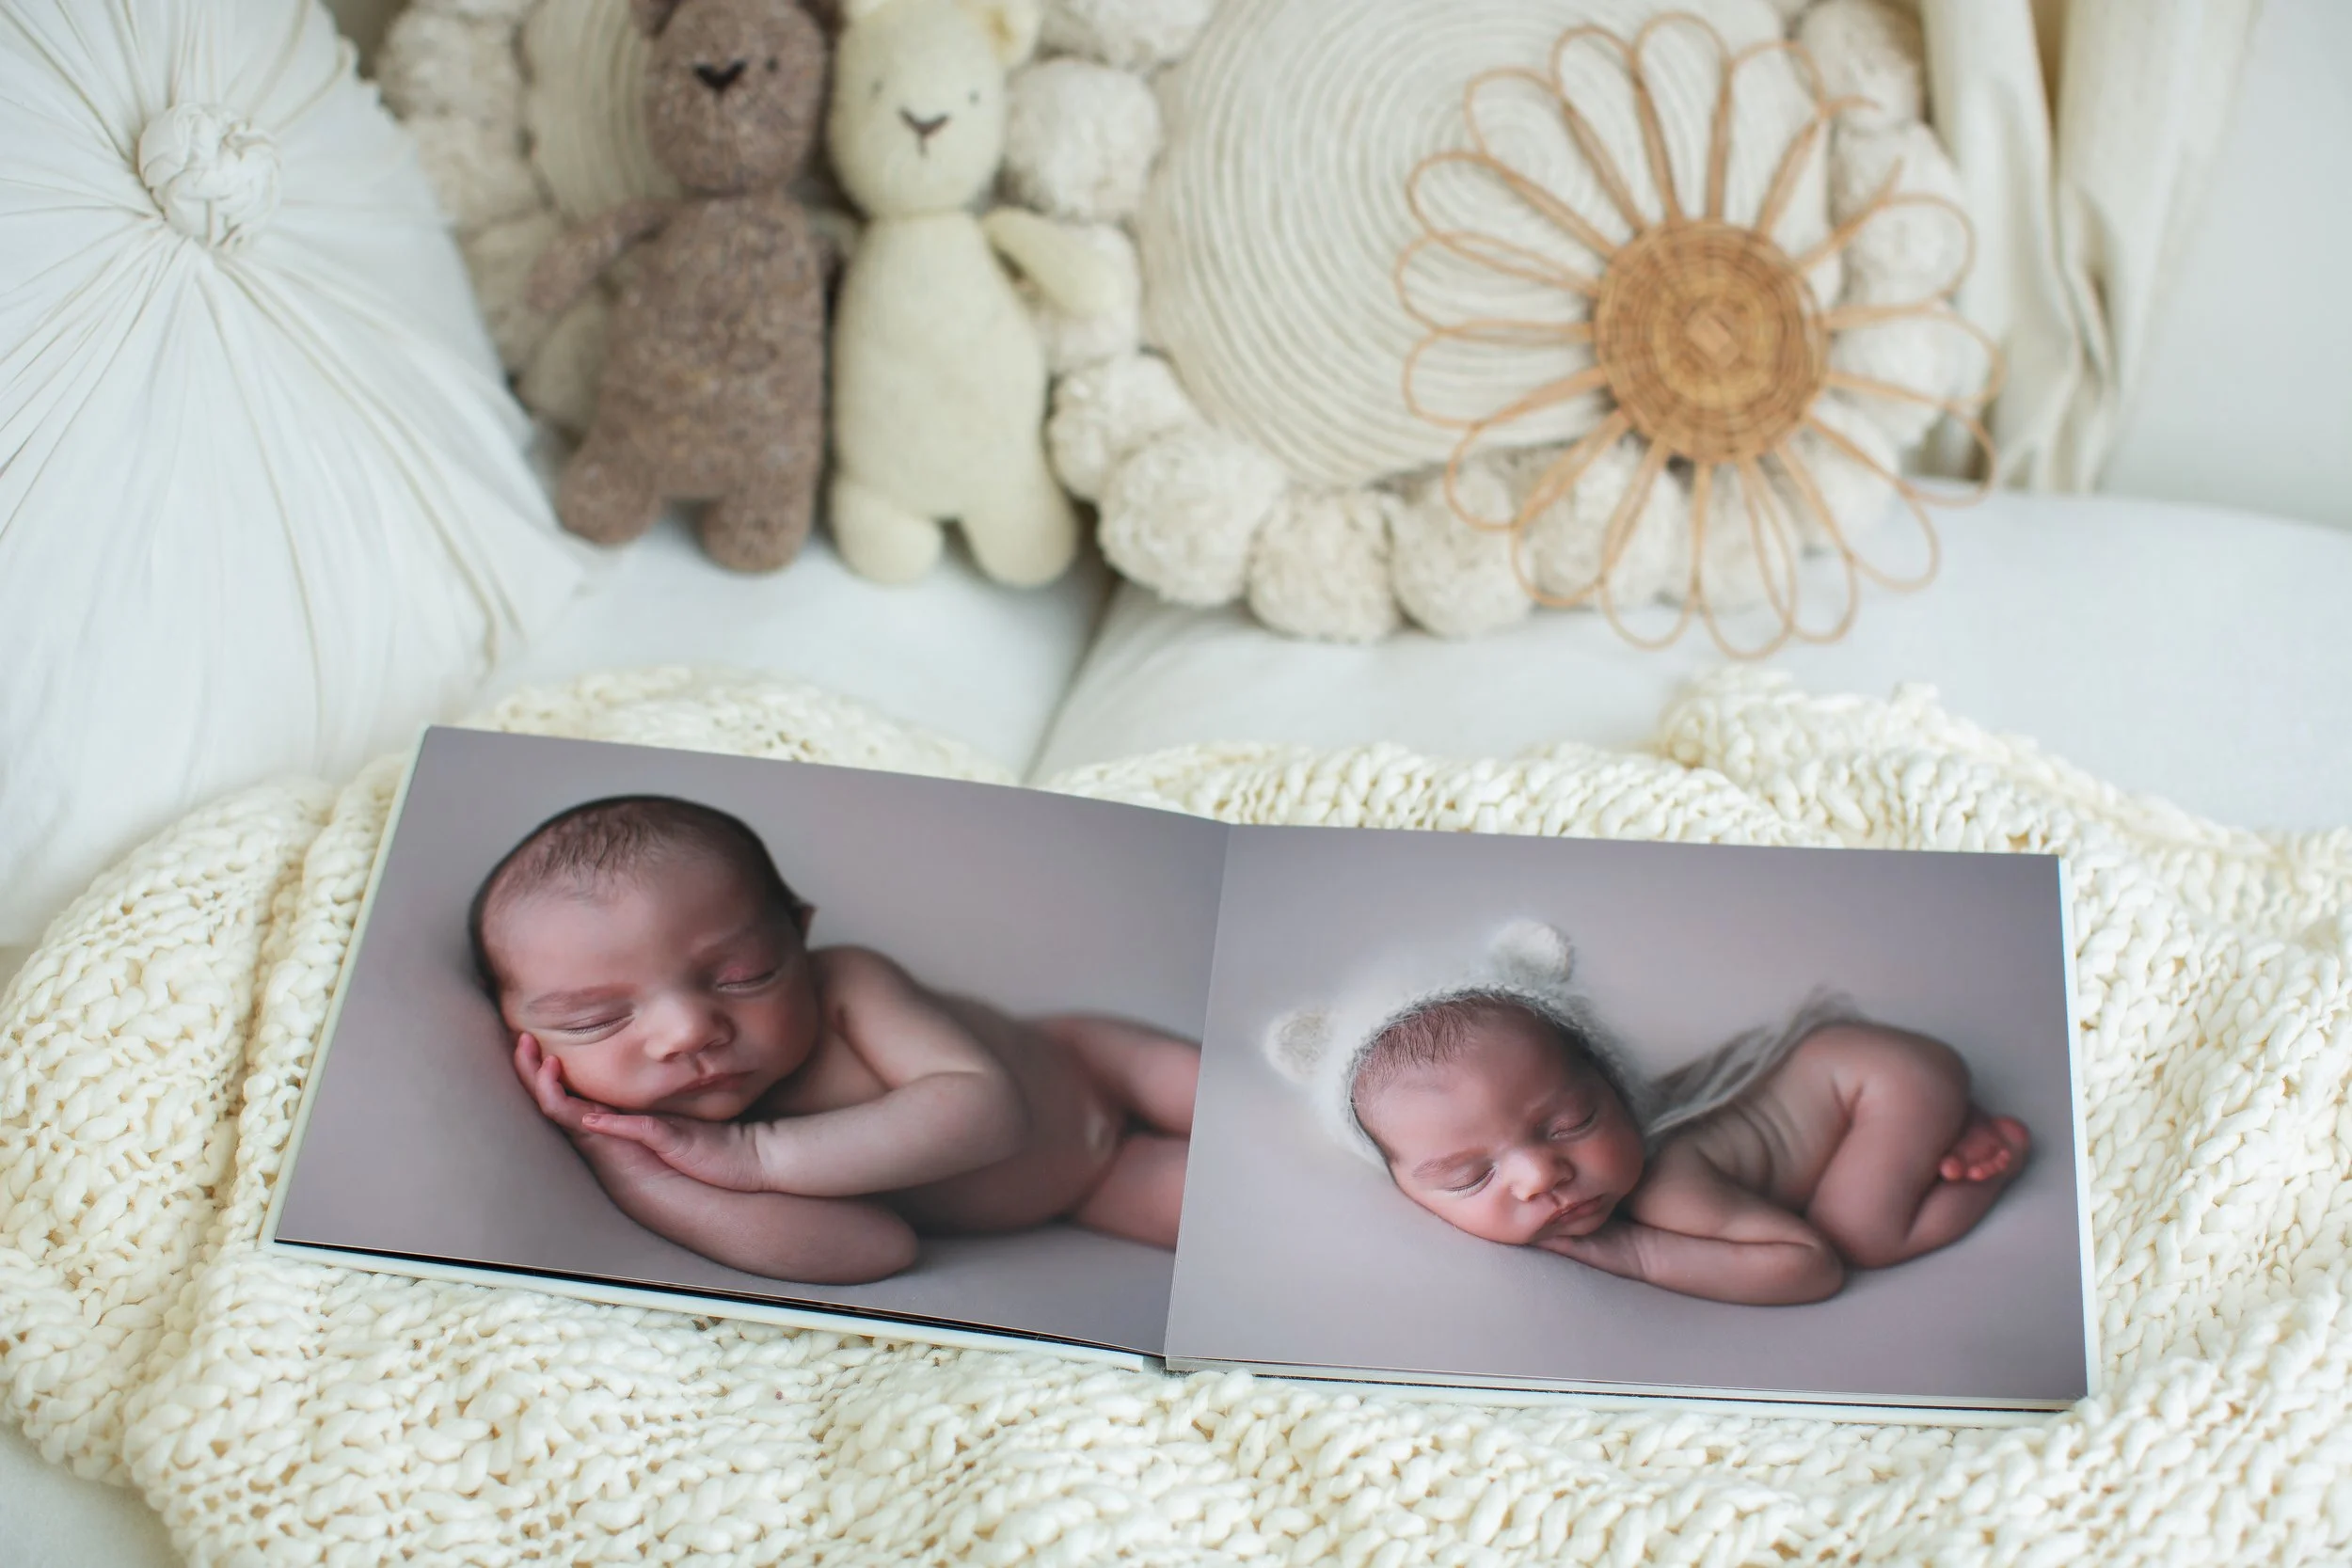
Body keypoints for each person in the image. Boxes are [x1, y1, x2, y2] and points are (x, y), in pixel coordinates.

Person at [471, 795, 1199, 1284]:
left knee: (1229, 1105)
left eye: (743, 975)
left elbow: (986, 1111)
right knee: (1226, 1214)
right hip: (1087, 1187)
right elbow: (875, 1249)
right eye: (596, 1020)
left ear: (798, 935)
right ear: (523, 1039)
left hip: (1093, 1061)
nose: (689, 1030)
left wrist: (757, 1157)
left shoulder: (846, 983)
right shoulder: (683, 1151)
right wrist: (635, 1168)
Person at [1267, 923, 2028, 1305]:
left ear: (1614, 1083)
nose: (1541, 1174)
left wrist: (1633, 1254)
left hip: (1883, 1082)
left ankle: (1990, 1148)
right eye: (1469, 1175)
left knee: (1862, 1234)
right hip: (1850, 1068)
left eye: (1570, 1123)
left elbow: (1810, 1265)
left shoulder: (1669, 1188)